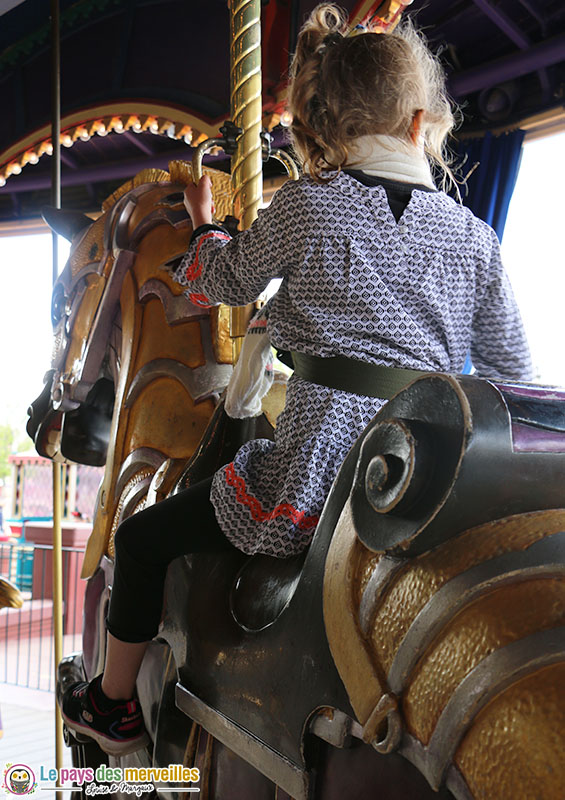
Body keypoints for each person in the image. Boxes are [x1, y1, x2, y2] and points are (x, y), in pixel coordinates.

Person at [59, 3, 532, 756]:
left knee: (143, 536)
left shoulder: (308, 206)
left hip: (318, 479)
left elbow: (218, 282)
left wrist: (204, 222)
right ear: (420, 125)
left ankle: (110, 704)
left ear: (327, 131)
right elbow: (515, 375)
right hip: (432, 479)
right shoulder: (475, 238)